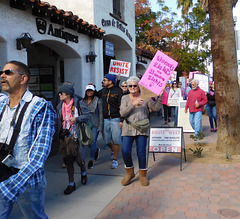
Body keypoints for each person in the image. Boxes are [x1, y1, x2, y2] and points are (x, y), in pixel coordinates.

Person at [0, 61, 56, 218]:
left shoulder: (40, 107)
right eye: (1, 72)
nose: (2, 75)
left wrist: (10, 186)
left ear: (23, 78)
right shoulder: (2, 103)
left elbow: (39, 155)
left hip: (27, 180)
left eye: (8, 72)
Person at [120, 76, 163, 186]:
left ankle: (143, 175)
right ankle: (129, 173)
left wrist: (160, 96)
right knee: (125, 151)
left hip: (142, 129)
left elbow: (155, 108)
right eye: (130, 86)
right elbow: (122, 113)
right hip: (128, 129)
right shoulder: (124, 98)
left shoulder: (146, 97)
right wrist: (133, 104)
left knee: (141, 153)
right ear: (128, 87)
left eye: (135, 85)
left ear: (139, 86)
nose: (133, 87)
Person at [56, 83, 90, 195]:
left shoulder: (79, 103)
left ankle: (83, 171)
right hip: (66, 137)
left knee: (79, 160)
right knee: (68, 160)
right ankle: (71, 183)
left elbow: (88, 116)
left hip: (77, 136)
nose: (59, 94)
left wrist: (77, 118)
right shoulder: (60, 105)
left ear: (68, 94)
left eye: (62, 93)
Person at [100, 74, 123, 169]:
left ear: (110, 81)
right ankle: (113, 150)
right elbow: (92, 94)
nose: (103, 81)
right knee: (107, 140)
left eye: (105, 80)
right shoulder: (103, 91)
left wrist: (122, 120)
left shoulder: (118, 92)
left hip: (116, 119)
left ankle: (115, 160)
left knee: (116, 140)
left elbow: (122, 106)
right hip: (105, 119)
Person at [83, 84, 103, 169]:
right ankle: (95, 150)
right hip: (86, 123)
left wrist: (100, 126)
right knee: (87, 142)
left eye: (91, 91)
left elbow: (101, 113)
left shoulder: (98, 100)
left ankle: (91, 160)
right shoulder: (82, 101)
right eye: (88, 91)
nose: (89, 92)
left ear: (94, 91)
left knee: (93, 141)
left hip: (95, 123)